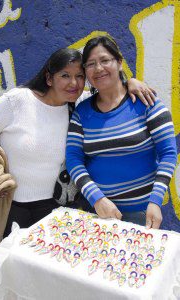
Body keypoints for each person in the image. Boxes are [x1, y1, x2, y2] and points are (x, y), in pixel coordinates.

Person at [0, 47, 156, 236]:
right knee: (12, 262)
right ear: (49, 78)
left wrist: (129, 82)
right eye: (65, 75)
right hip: (12, 206)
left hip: (58, 208)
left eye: (80, 76)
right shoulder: (16, 101)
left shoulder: (80, 104)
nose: (74, 83)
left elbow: (110, 90)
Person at [66, 35, 177, 229]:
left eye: (105, 60)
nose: (98, 68)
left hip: (144, 213)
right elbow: (74, 160)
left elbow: (168, 154)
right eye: (90, 64)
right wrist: (97, 199)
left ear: (119, 62)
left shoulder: (147, 103)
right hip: (99, 214)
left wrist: (155, 201)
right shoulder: (81, 113)